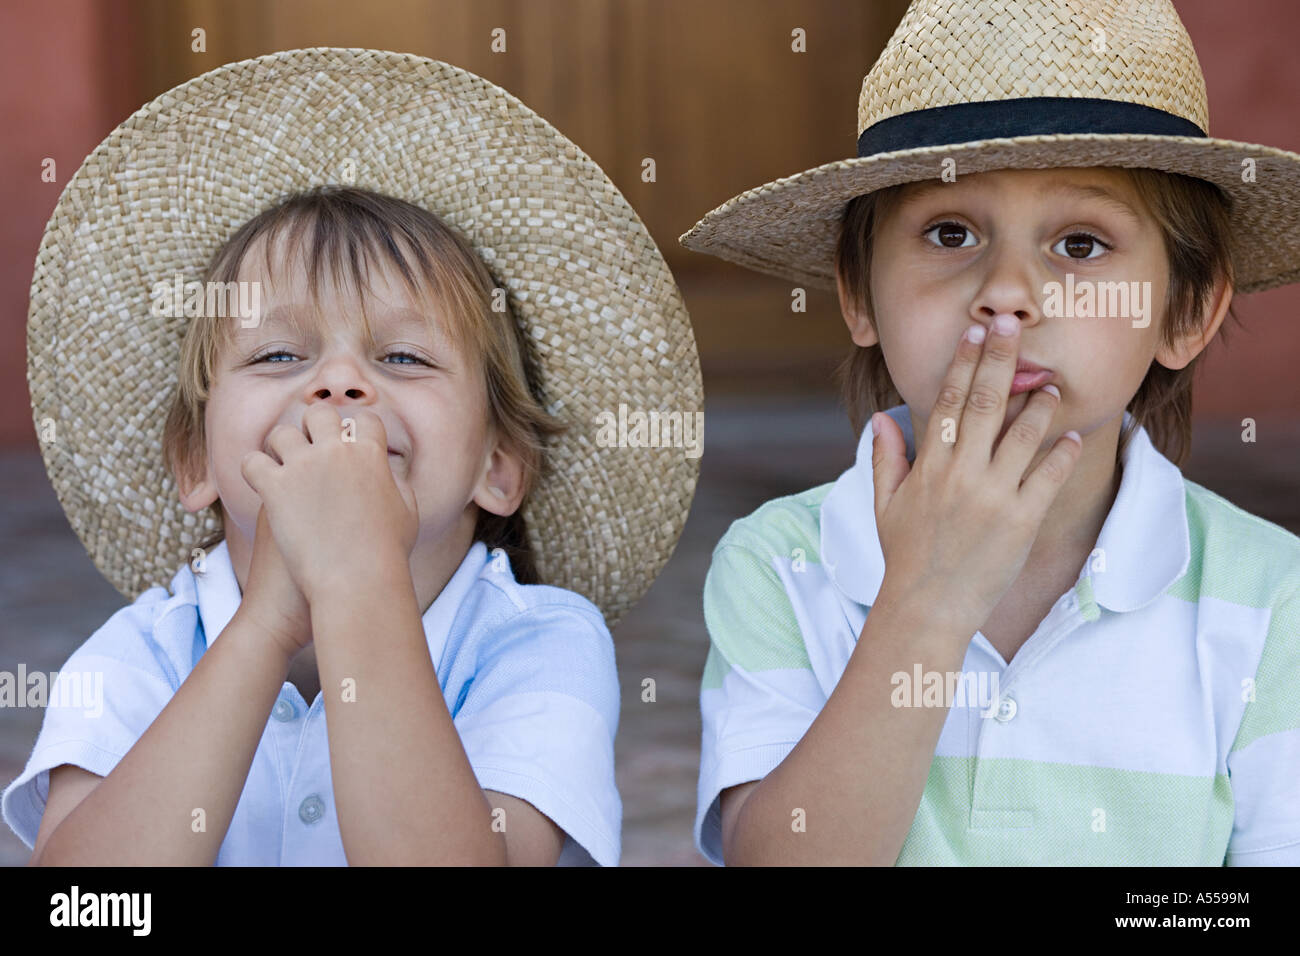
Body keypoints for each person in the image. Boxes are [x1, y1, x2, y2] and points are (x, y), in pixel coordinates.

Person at [4, 49, 701, 866]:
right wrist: (265, 627)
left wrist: (356, 585)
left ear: (499, 468)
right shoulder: (143, 652)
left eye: (403, 358)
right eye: (277, 357)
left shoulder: (537, 644)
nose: (337, 384)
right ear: (195, 461)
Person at [681, 0, 1300, 865]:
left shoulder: (1270, 600)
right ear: (858, 294)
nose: (1008, 293)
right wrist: (925, 606)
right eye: (950, 232)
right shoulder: (783, 563)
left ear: (1186, 309)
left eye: (1081, 246)